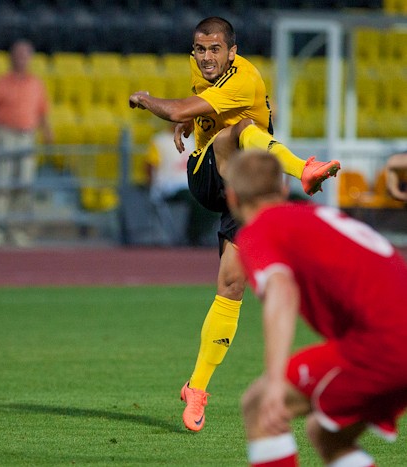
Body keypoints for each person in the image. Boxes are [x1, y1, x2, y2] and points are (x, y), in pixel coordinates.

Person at [128, 16, 341, 432]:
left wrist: (149, 101)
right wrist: (186, 120)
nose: (206, 57)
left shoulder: (245, 79)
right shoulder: (203, 69)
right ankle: (304, 169)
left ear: (232, 52)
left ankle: (196, 388)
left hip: (245, 192)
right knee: (240, 129)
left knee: (231, 286)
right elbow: (194, 104)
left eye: (215, 49)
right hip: (209, 176)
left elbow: (180, 106)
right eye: (200, 49)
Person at [225, 150, 407, 467]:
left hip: (385, 345)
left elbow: (281, 289)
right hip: (390, 341)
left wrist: (275, 380)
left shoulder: (261, 229)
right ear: (284, 189)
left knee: (260, 404)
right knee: (328, 436)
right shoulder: (314, 215)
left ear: (232, 197)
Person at [0, 39, 52, 246]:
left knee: (24, 184)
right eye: (18, 55)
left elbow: (42, 111)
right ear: (11, 58)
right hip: (5, 135)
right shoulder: (1, 82)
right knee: (1, 183)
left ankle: (17, 230)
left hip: (27, 136)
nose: (21, 59)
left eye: (25, 55)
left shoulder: (36, 83)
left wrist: (47, 132)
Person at [145, 125, 218, 246]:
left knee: (213, 197)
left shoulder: (192, 139)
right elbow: (150, 166)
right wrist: (153, 188)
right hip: (169, 186)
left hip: (188, 184)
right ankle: (193, 235)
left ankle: (199, 233)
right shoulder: (159, 140)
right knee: (196, 198)